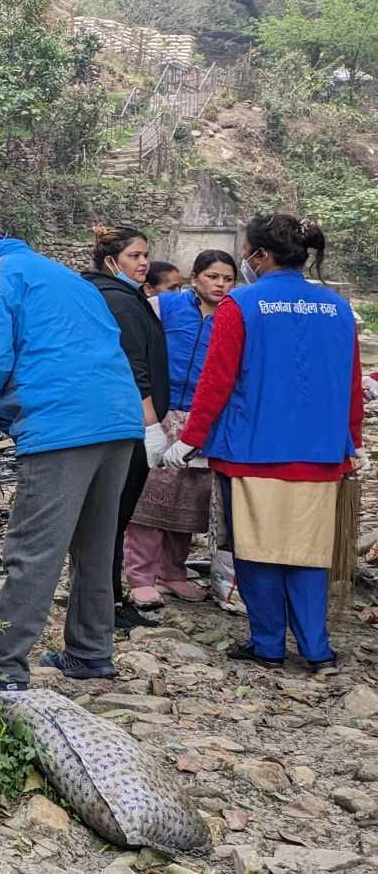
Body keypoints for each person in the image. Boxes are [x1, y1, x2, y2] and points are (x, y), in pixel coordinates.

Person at [160, 215, 363, 674]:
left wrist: (190, 440)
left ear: (260, 255)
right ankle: (316, 649)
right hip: (320, 454)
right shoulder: (336, 308)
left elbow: (217, 382)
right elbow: (351, 383)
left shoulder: (241, 304)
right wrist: (354, 439)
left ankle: (268, 643)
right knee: (310, 554)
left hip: (252, 451)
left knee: (255, 550)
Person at [0, 228, 144, 688]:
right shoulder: (72, 279)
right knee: (95, 543)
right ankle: (91, 651)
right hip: (118, 416)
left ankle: (1, 667)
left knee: (33, 548)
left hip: (61, 421)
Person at [123, 250, 237, 606]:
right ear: (195, 277)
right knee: (150, 496)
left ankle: (173, 572)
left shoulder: (233, 317)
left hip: (203, 417)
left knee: (189, 499)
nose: (220, 285)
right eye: (213, 277)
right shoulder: (165, 306)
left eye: (228, 279)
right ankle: (140, 575)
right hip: (160, 411)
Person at [82, 225, 170, 630]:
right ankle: (106, 603)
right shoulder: (117, 300)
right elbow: (135, 366)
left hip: (121, 421)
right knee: (112, 517)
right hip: (126, 424)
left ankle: (108, 598)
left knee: (114, 515)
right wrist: (151, 423)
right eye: (135, 256)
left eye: (145, 255)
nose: (143, 263)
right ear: (111, 261)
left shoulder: (124, 297)